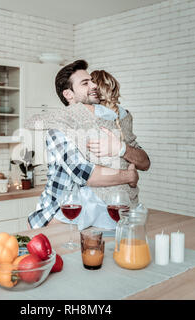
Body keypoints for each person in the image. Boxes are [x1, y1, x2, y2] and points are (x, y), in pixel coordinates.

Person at [25, 60, 150, 229]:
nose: (94, 85)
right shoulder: (58, 129)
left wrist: (122, 149)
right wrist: (129, 176)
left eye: (92, 80)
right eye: (85, 83)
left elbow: (144, 162)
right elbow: (85, 175)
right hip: (59, 215)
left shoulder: (107, 122)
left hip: (92, 215)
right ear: (69, 94)